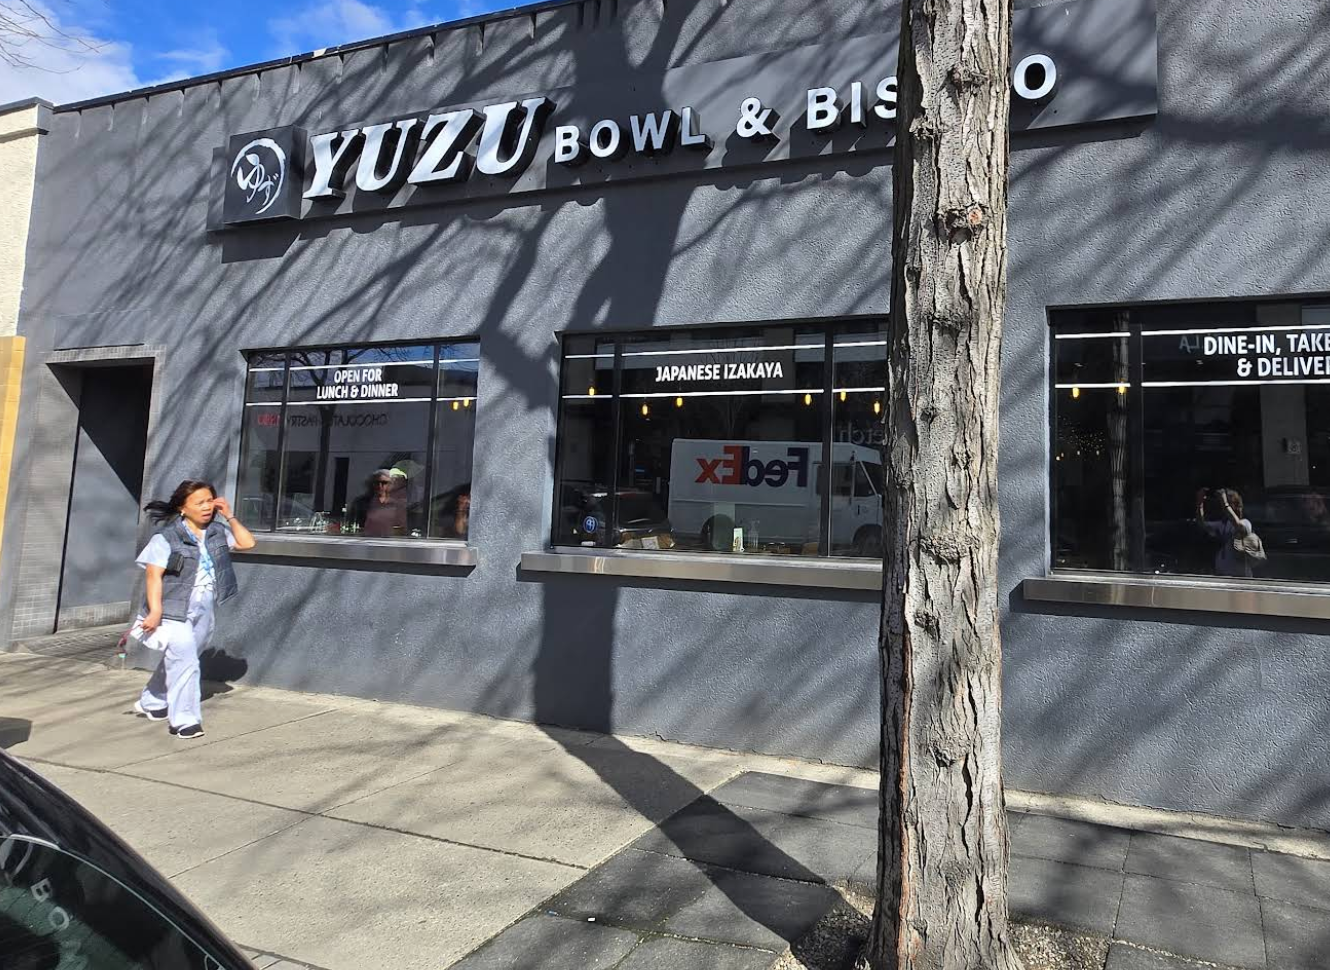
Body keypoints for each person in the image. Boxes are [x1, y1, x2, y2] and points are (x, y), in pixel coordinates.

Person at [130, 480, 255, 738]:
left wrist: (229, 515)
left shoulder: (217, 532)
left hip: (204, 604)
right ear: (183, 508)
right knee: (186, 662)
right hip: (172, 608)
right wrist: (155, 611)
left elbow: (247, 543)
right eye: (200, 503)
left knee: (183, 657)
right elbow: (154, 576)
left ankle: (152, 701)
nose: (207, 507)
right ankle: (184, 721)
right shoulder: (166, 538)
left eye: (210, 500)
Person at [1195, 487, 1257, 578]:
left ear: (1236, 506)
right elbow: (1202, 524)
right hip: (1223, 577)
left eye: (1229, 503)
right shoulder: (1224, 524)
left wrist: (1225, 503)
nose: (1223, 507)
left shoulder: (1245, 523)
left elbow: (1237, 524)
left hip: (1241, 579)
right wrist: (1200, 503)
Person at [349, 468, 409, 536]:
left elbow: (403, 528)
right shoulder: (362, 503)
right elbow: (353, 523)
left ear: (392, 484)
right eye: (377, 483)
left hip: (390, 542)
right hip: (365, 541)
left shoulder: (400, 504)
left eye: (384, 483)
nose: (380, 486)